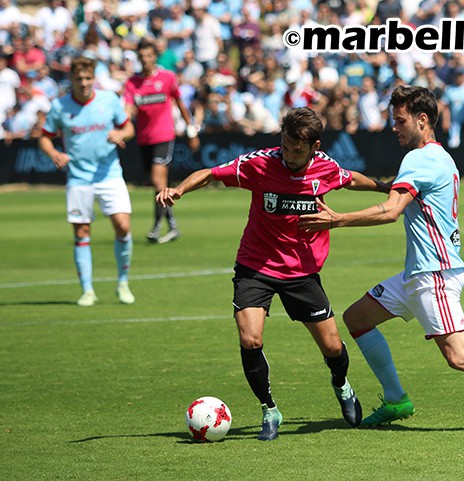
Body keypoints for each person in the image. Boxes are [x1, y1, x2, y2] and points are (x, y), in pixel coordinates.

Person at [298, 86, 464, 430]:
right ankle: (396, 400)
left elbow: (392, 210)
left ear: (422, 120)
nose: (394, 127)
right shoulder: (439, 157)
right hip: (419, 272)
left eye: (400, 120)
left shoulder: (419, 159)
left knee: (459, 355)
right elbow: (396, 190)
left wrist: (337, 219)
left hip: (435, 274)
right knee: (358, 319)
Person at [155, 107, 390, 441]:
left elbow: (350, 179)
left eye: (298, 151)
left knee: (333, 347)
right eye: (286, 146)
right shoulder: (260, 163)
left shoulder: (325, 167)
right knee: (250, 338)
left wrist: (384, 188)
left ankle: (342, 385)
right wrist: (179, 190)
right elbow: (210, 173)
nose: (290, 156)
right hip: (255, 266)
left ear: (315, 146)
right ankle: (269, 409)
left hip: (301, 272)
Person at [39, 56, 136, 307]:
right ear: (71, 79)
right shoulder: (60, 106)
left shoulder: (108, 100)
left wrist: (119, 133)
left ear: (94, 78)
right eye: (78, 78)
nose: (83, 83)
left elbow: (129, 129)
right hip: (79, 177)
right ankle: (87, 290)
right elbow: (45, 137)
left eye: (87, 78)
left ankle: (123, 282)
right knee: (81, 232)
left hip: (109, 174)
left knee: (123, 226)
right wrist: (54, 154)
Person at [124, 38, 200, 244]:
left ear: (154, 57)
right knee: (157, 185)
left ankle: (157, 227)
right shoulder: (133, 83)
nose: (146, 60)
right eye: (142, 57)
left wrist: (191, 131)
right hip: (143, 139)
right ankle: (173, 226)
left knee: (159, 183)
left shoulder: (167, 78)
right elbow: (128, 109)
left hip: (164, 136)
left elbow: (181, 104)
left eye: (149, 56)